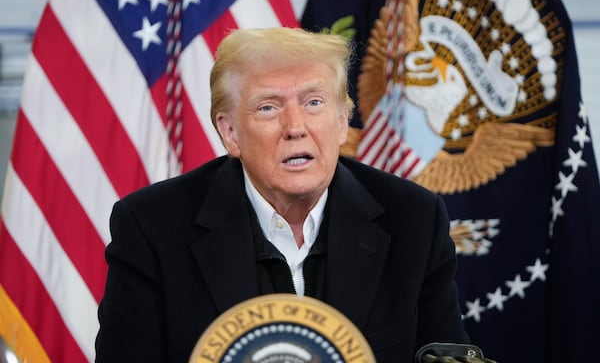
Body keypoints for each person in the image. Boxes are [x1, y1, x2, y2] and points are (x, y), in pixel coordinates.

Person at [95, 27, 469, 362]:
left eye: (314, 103)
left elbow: (444, 353)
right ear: (230, 134)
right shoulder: (153, 227)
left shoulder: (413, 219)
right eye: (268, 107)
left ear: (342, 121)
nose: (295, 127)